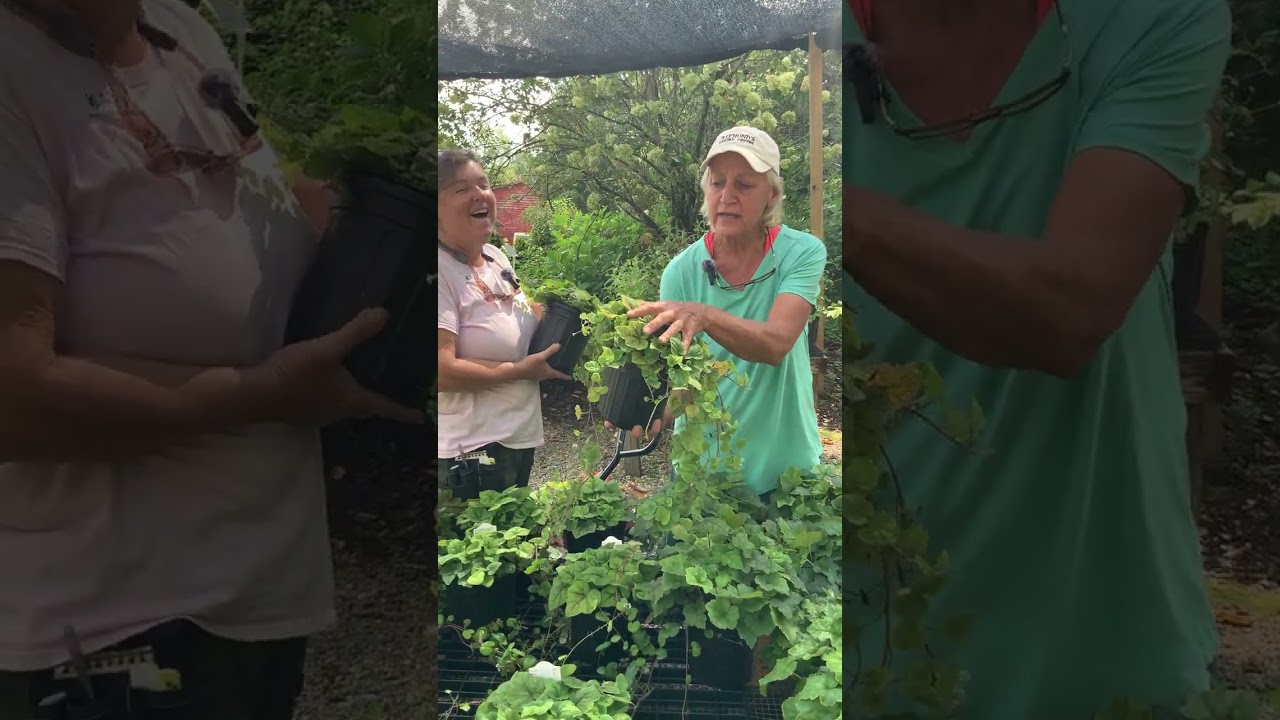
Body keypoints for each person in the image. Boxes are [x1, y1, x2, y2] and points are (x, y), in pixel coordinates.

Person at [0, 1, 421, 717]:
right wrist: (263, 394)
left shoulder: (176, 30)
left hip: (255, 599)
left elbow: (253, 199)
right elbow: (15, 397)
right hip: (107, 626)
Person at [844, 0, 1232, 718]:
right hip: (865, 663)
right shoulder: (790, 43)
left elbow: (1069, 311)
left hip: (1103, 666)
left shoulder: (1147, 17)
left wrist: (823, 210)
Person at [623, 126, 828, 498]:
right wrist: (651, 414)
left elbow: (776, 343)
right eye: (717, 183)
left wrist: (706, 314)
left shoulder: (801, 253)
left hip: (787, 475)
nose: (727, 196)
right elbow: (686, 381)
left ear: (772, 195)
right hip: (703, 477)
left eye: (744, 185)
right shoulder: (682, 271)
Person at [436, 149, 568, 500]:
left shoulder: (495, 257)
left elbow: (521, 315)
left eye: (484, 184)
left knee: (513, 544)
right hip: (470, 452)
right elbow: (441, 370)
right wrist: (518, 370)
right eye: (462, 188)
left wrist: (588, 318)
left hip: (516, 438)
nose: (480, 194)